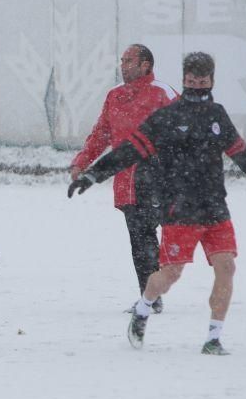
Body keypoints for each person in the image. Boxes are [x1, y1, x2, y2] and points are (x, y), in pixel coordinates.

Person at [69, 52, 246, 355]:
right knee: (170, 275)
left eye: (202, 83)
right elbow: (128, 151)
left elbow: (239, 151)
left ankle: (213, 338)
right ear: (184, 81)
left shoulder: (217, 114)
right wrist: (92, 176)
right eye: (191, 83)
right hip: (180, 210)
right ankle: (144, 308)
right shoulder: (167, 117)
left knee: (226, 267)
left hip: (215, 208)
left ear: (211, 82)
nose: (196, 89)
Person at [70, 44, 178, 313]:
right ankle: (150, 297)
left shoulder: (162, 93)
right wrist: (82, 162)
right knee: (141, 241)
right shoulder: (115, 96)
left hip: (160, 177)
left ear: (146, 65)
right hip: (127, 182)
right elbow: (101, 134)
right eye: (122, 60)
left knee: (172, 235)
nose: (123, 65)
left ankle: (164, 285)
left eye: (129, 60)